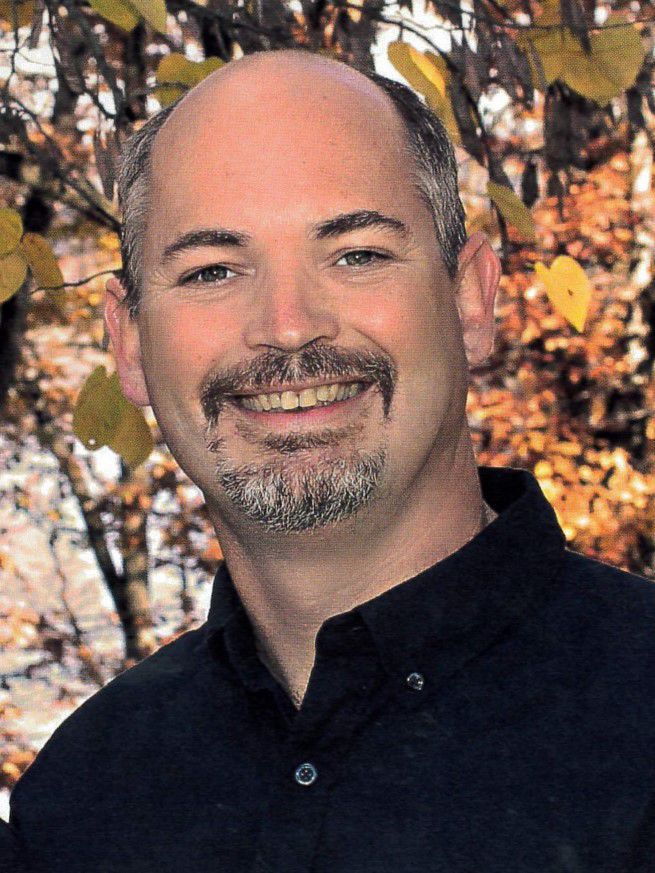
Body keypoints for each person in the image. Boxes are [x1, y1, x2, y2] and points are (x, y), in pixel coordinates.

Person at [7, 47, 655, 873]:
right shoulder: (81, 800)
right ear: (128, 342)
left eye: (356, 255)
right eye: (212, 270)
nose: (287, 325)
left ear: (470, 299)